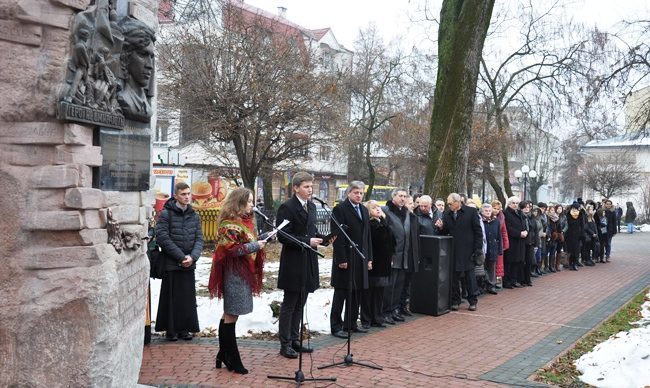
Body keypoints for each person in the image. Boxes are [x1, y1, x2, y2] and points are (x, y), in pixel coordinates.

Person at [208, 188, 266, 374]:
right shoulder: (229, 223)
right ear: (239, 202)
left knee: (230, 314)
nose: (252, 205)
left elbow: (245, 244)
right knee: (232, 313)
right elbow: (231, 250)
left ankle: (224, 353)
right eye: (249, 201)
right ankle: (231, 357)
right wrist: (255, 245)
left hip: (242, 272)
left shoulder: (244, 221)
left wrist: (260, 241)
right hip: (234, 273)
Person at [275, 172, 329, 358]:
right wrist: (307, 241)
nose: (310, 190)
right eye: (306, 187)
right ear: (296, 187)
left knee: (301, 302)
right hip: (293, 261)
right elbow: (283, 235)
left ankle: (295, 339)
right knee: (290, 303)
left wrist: (326, 239)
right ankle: (285, 343)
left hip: (308, 260)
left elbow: (312, 230)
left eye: (311, 187)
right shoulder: (287, 207)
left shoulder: (312, 207)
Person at [155, 182, 203, 341]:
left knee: (186, 299)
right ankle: (171, 330)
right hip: (172, 264)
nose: (187, 197)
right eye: (183, 194)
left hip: (189, 264)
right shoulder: (166, 214)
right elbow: (163, 238)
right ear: (176, 195)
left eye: (188, 193)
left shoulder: (194, 215)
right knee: (171, 298)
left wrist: (192, 257)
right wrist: (181, 257)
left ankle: (184, 329)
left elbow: (199, 239)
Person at [330, 181, 373, 337]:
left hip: (360, 258)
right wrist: (341, 259)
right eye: (356, 192)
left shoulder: (363, 209)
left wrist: (369, 258)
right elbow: (338, 236)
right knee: (341, 293)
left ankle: (351, 323)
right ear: (349, 193)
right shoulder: (340, 209)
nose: (359, 195)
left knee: (357, 292)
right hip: (346, 258)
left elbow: (367, 236)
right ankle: (336, 326)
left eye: (361, 193)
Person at [435, 193, 483, 311]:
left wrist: (477, 249)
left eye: (451, 203)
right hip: (453, 250)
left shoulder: (471, 212)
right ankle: (455, 300)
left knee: (470, 277)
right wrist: (441, 227)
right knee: (454, 278)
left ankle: (473, 301)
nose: (449, 205)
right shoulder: (447, 214)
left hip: (468, 250)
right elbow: (445, 231)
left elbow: (478, 232)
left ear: (458, 202)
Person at [382, 188, 420, 322]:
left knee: (399, 285)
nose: (403, 199)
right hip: (392, 255)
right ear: (394, 197)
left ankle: (394, 310)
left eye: (404, 196)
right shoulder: (386, 211)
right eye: (400, 196)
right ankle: (385, 312)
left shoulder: (406, 213)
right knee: (389, 286)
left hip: (404, 256)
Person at [118, 17, 156, 122]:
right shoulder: (122, 98)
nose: (150, 65)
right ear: (126, 55)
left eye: (151, 57)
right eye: (143, 54)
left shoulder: (147, 108)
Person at [363, 200, 394, 327]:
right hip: (374, 262)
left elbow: (390, 240)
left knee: (379, 293)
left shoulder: (383, 223)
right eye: (374, 208)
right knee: (369, 293)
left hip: (384, 263)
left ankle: (377, 317)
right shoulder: (370, 225)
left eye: (378, 207)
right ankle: (367, 319)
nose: (378, 209)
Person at [502, 196, 527, 289]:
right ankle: (507, 281)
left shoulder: (519, 213)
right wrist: (519, 233)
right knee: (509, 262)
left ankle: (514, 280)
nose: (515, 205)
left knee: (517, 261)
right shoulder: (506, 213)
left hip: (520, 241)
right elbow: (508, 228)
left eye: (517, 203)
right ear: (509, 204)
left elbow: (524, 223)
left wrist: (525, 231)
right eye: (513, 203)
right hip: (512, 241)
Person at [480, 203, 502, 294]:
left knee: (491, 267)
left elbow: (498, 236)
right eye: (486, 211)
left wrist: (499, 249)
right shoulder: (479, 221)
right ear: (482, 212)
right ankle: (481, 285)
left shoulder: (496, 221)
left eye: (489, 211)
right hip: (483, 247)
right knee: (481, 268)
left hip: (493, 247)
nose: (488, 212)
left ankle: (491, 285)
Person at [565, 203, 584, 271]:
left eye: (576, 208)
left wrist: (582, 234)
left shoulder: (580, 215)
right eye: (573, 208)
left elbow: (582, 225)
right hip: (569, 235)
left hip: (577, 235)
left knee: (576, 251)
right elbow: (566, 225)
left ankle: (575, 264)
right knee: (571, 251)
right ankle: (570, 264)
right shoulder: (568, 215)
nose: (574, 210)